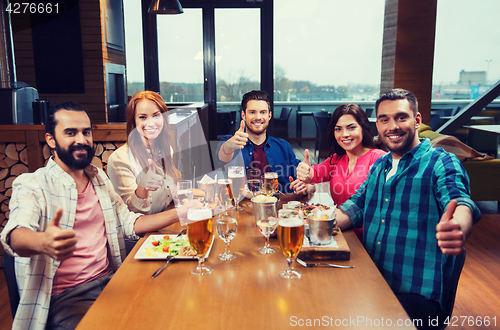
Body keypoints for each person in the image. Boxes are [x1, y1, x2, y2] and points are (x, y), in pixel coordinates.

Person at [0, 102, 200, 330]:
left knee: (175, 307)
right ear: (51, 140)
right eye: (70, 133)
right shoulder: (32, 183)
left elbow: (131, 223)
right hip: (67, 298)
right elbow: (15, 235)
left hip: (111, 281)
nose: (81, 139)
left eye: (86, 132)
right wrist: (44, 241)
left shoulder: (99, 179)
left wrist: (182, 213)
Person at [330, 89, 480, 329]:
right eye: (384, 119)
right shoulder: (381, 164)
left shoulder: (441, 162)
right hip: (373, 280)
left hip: (417, 296)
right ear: (377, 124)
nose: (392, 126)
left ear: (417, 120)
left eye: (401, 117)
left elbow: (460, 201)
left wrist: (459, 226)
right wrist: (306, 224)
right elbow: (354, 207)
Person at [295, 104, 386, 240]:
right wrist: (306, 172)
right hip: (339, 233)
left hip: (368, 239)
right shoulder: (336, 159)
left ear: (363, 128)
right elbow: (316, 172)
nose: (344, 134)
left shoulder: (379, 158)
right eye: (338, 129)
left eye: (351, 127)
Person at [216, 90, 307, 193]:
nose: (258, 117)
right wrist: (228, 146)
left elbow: (305, 180)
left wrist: (307, 182)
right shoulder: (231, 142)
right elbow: (222, 157)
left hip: (279, 207)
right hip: (241, 206)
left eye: (263, 112)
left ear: (269, 116)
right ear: (243, 115)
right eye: (252, 112)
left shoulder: (283, 146)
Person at [107, 91, 180, 215]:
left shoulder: (167, 149)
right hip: (142, 234)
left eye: (156, 115)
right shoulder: (119, 159)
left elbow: (169, 195)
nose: (150, 123)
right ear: (133, 121)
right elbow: (128, 214)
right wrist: (142, 189)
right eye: (143, 117)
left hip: (164, 227)